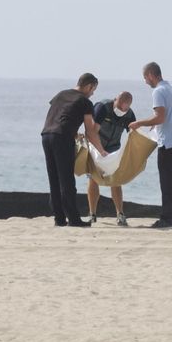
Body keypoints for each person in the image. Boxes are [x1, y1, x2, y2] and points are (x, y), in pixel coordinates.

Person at [41, 73, 108, 227]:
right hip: (62, 138)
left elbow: (59, 115)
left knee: (54, 179)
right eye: (93, 90)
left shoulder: (61, 94)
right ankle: (74, 219)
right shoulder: (85, 102)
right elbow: (90, 131)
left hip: (46, 135)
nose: (93, 93)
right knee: (66, 180)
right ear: (89, 86)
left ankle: (59, 218)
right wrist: (101, 151)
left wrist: (72, 132)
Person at [128, 62, 172, 229]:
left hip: (168, 142)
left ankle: (167, 219)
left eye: (145, 78)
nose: (145, 81)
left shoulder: (158, 91)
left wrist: (139, 123)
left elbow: (160, 117)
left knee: (166, 182)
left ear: (151, 75)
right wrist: (160, 123)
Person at [86, 91, 136, 226]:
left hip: (113, 147)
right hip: (96, 145)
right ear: (115, 100)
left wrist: (130, 156)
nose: (121, 111)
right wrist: (100, 151)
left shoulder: (129, 114)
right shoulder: (102, 107)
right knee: (94, 178)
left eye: (124, 109)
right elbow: (92, 131)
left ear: (128, 107)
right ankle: (92, 214)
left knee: (116, 179)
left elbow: (133, 135)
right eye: (119, 108)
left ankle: (120, 214)